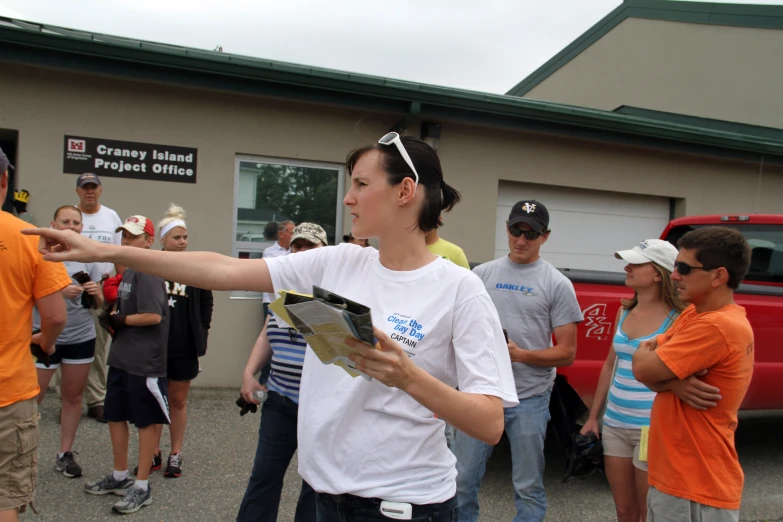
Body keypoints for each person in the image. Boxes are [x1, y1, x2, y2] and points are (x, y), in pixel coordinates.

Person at [27, 132, 518, 522]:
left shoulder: (460, 289)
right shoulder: (339, 261)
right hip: (324, 495)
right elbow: (220, 270)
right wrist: (105, 251)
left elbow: (489, 423)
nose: (348, 199)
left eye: (362, 185)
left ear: (405, 191)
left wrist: (408, 377)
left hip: (405, 506)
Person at [454, 199, 584, 522]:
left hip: (529, 397)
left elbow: (567, 352)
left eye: (531, 233)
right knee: (460, 481)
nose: (521, 239)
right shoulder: (480, 275)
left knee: (527, 486)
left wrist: (520, 355)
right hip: (481, 393)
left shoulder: (557, 284)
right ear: (507, 229)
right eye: (516, 230)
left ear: (545, 236)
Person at [633, 228, 754, 522]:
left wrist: (660, 370)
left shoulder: (715, 326)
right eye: (675, 266)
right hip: (679, 481)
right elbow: (641, 357)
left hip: (693, 486)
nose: (674, 276)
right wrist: (675, 382)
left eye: (684, 268)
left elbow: (643, 367)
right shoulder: (694, 313)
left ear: (718, 276)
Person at [579, 239, 685, 522]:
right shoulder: (624, 310)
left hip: (651, 427)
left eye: (636, 264)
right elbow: (609, 365)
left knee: (647, 511)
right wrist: (593, 417)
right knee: (624, 511)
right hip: (615, 424)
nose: (626, 267)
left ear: (658, 274)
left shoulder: (679, 319)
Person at [237, 223, 328, 522]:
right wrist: (250, 372)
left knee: (314, 487)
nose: (301, 252)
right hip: (279, 398)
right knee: (263, 477)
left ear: (323, 252)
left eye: (309, 247)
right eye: (297, 246)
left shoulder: (332, 296)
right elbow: (267, 333)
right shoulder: (284, 292)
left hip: (318, 406)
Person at [82, 215, 170, 515]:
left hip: (144, 362)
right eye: (124, 236)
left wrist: (122, 320)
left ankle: (142, 485)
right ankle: (120, 476)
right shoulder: (129, 271)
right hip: (121, 357)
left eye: (134, 236)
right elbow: (128, 312)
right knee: (115, 415)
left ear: (148, 240)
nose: (127, 241)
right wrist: (112, 318)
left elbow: (154, 316)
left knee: (145, 422)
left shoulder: (148, 271)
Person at [0, 147, 70, 521]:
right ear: (5, 181)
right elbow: (56, 316)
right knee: (6, 498)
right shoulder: (26, 235)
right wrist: (45, 341)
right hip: (9, 389)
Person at [33, 205, 105, 479]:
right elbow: (26, 294)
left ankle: (65, 453)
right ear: (53, 224)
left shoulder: (89, 255)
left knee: (73, 397)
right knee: (31, 400)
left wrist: (94, 292)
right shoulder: (41, 253)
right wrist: (58, 291)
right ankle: (17, 452)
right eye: (66, 221)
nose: (72, 226)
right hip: (44, 335)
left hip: (80, 336)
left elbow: (98, 305)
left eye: (76, 222)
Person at [143, 205, 213, 479]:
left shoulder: (195, 267)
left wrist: (201, 334)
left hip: (183, 347)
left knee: (178, 400)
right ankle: (152, 452)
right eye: (176, 238)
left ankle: (175, 453)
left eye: (185, 237)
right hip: (154, 347)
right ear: (163, 240)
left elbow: (206, 302)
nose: (182, 242)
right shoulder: (150, 266)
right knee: (154, 401)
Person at [75, 173, 123, 423]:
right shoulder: (70, 216)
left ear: (100, 191)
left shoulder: (111, 216)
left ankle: (96, 401)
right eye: (85, 188)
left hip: (100, 290)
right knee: (67, 343)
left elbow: (118, 254)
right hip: (71, 289)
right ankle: (69, 400)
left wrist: (120, 288)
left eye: (94, 187)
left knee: (98, 346)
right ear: (78, 192)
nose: (90, 192)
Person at [259, 220, 296, 385]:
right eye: (291, 232)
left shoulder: (296, 251)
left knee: (288, 344)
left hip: (293, 301)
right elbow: (272, 277)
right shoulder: (270, 252)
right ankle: (265, 380)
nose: (294, 236)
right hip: (272, 302)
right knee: (271, 341)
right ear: (281, 234)